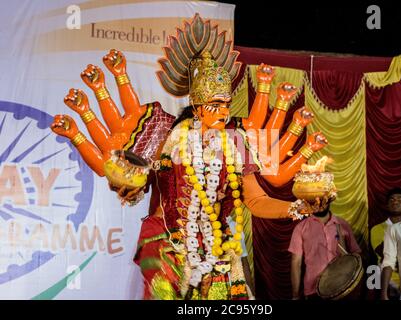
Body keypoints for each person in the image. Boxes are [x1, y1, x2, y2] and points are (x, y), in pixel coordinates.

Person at [50, 14, 328, 299]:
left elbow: (256, 200)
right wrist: (126, 185)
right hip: (166, 246)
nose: (224, 111)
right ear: (197, 108)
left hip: (217, 251)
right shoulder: (163, 133)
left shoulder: (237, 140)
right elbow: (132, 182)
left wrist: (297, 208)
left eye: (226, 104)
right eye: (215, 105)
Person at [289, 200, 361, 300]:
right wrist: (295, 295)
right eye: (315, 201)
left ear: (329, 200)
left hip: (342, 287)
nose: (319, 204)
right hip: (313, 290)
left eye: (322, 200)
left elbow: (356, 253)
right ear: (309, 204)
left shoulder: (341, 224)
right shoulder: (300, 228)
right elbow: (296, 263)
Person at [370, 188, 401, 298]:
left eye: (400, 200)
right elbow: (386, 254)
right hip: (388, 282)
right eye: (392, 200)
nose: (395, 202)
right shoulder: (377, 229)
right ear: (387, 205)